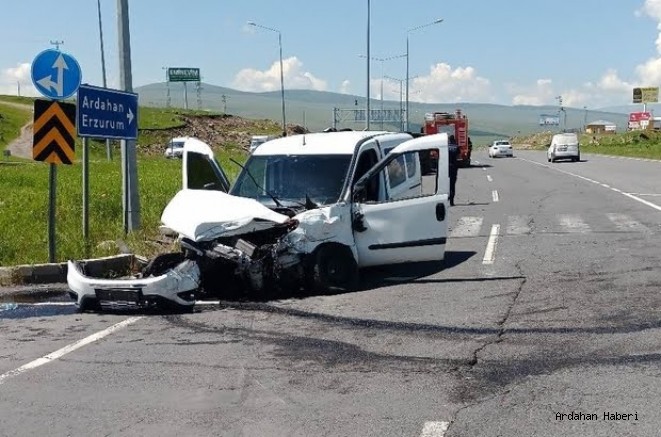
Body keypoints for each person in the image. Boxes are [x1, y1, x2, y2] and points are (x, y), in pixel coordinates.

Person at [448, 134, 459, 206]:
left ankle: (447, 199)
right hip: (454, 167)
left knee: (447, 184)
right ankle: (452, 201)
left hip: (447, 167)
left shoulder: (446, 147)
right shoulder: (456, 147)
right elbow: (458, 155)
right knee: (452, 184)